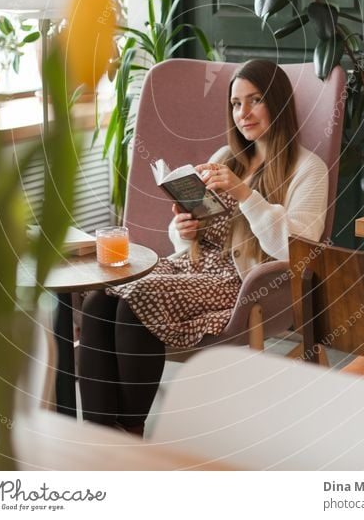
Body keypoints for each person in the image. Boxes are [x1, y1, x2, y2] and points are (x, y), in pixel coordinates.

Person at [78, 59, 328, 434]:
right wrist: (184, 230)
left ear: (277, 103)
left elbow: (294, 251)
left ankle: (128, 433)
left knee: (138, 299)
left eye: (255, 100)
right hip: (193, 268)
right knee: (100, 300)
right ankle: (99, 436)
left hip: (244, 282)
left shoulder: (308, 169)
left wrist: (244, 193)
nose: (243, 113)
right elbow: (189, 238)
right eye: (235, 103)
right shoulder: (223, 159)